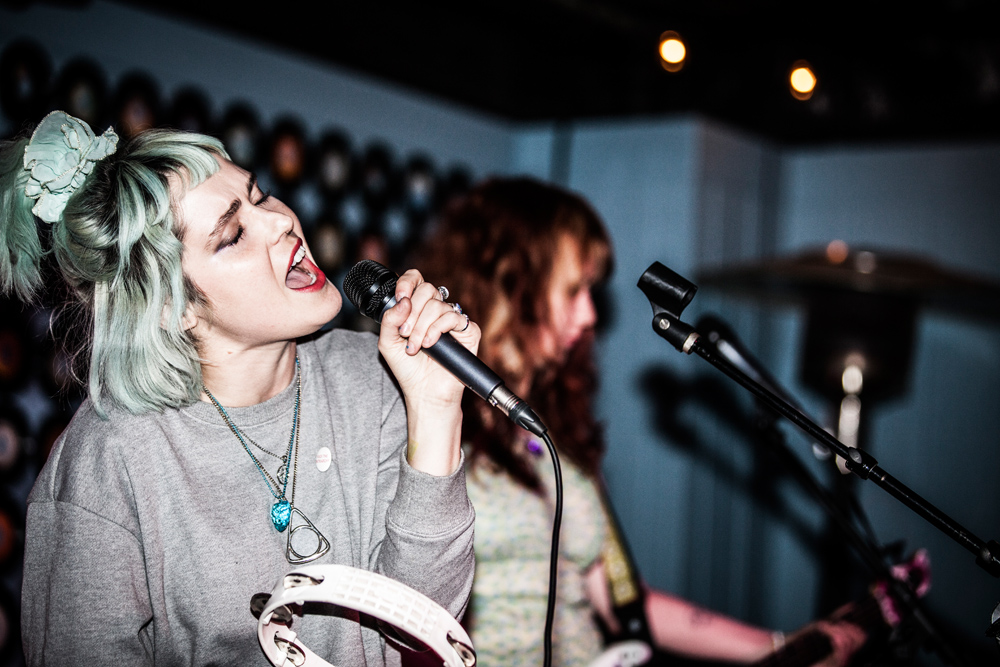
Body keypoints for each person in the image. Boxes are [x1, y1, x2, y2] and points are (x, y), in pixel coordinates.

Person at [1, 111, 478, 666]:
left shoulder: (371, 380)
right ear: (170, 308)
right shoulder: (110, 462)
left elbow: (423, 627)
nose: (280, 223)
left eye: (262, 195)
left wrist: (436, 407)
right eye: (232, 235)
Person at [417, 177, 865, 667]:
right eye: (573, 289)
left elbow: (623, 600)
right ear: (510, 282)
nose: (590, 314)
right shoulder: (431, 416)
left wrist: (782, 646)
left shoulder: (553, 430)